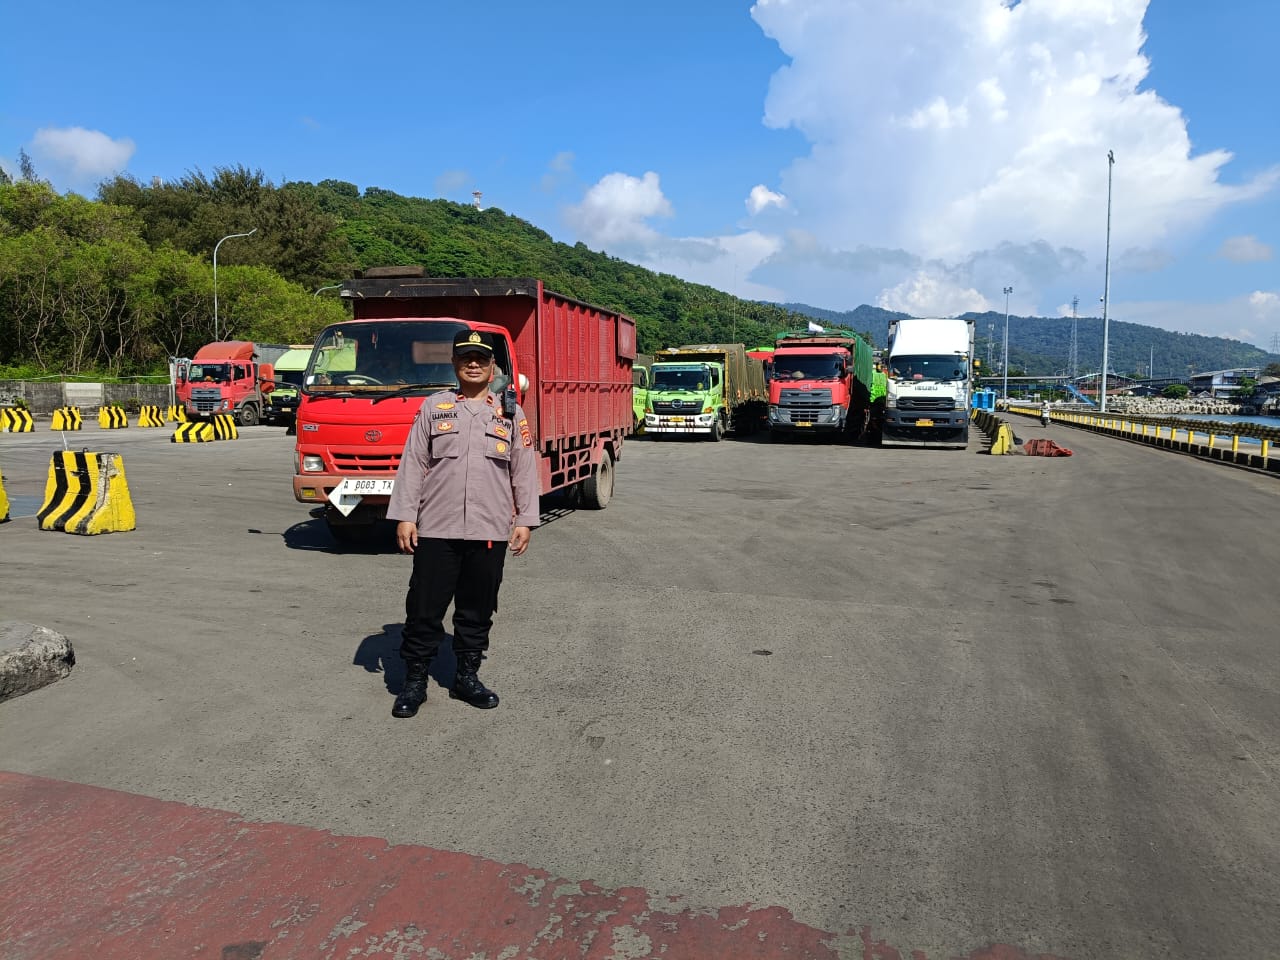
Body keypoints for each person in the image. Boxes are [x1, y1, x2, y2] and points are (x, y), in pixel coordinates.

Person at [385, 330, 541, 719]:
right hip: (437, 527)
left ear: (492, 367)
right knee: (424, 608)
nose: (473, 364)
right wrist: (405, 515)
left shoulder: (510, 412)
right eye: (465, 357)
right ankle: (415, 681)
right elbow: (413, 462)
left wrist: (525, 519)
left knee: (477, 608)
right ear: (454, 363)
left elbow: (523, 469)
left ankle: (466, 677)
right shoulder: (434, 407)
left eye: (481, 359)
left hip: (489, 530)